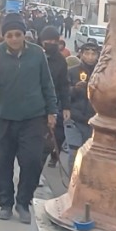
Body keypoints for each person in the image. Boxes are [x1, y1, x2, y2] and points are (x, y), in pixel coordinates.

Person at [0, 13, 58, 224]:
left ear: (24, 35)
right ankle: (5, 203)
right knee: (2, 163)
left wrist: (52, 111)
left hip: (33, 118)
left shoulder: (37, 54)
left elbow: (47, 85)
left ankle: (23, 202)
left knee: (32, 162)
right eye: (9, 35)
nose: (14, 39)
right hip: (4, 118)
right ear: (4, 36)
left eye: (18, 34)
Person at [63, 42, 99, 172]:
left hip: (93, 121)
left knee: (90, 156)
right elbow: (63, 93)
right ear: (81, 54)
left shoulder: (101, 74)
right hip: (74, 119)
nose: (90, 57)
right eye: (87, 53)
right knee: (74, 153)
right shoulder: (72, 72)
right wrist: (75, 89)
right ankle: (72, 184)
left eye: (93, 54)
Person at [39, 26, 70, 168]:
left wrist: (66, 107)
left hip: (53, 103)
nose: (51, 43)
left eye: (54, 41)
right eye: (48, 40)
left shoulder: (60, 61)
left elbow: (64, 84)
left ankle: (48, 158)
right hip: (35, 103)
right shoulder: (36, 56)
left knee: (55, 136)